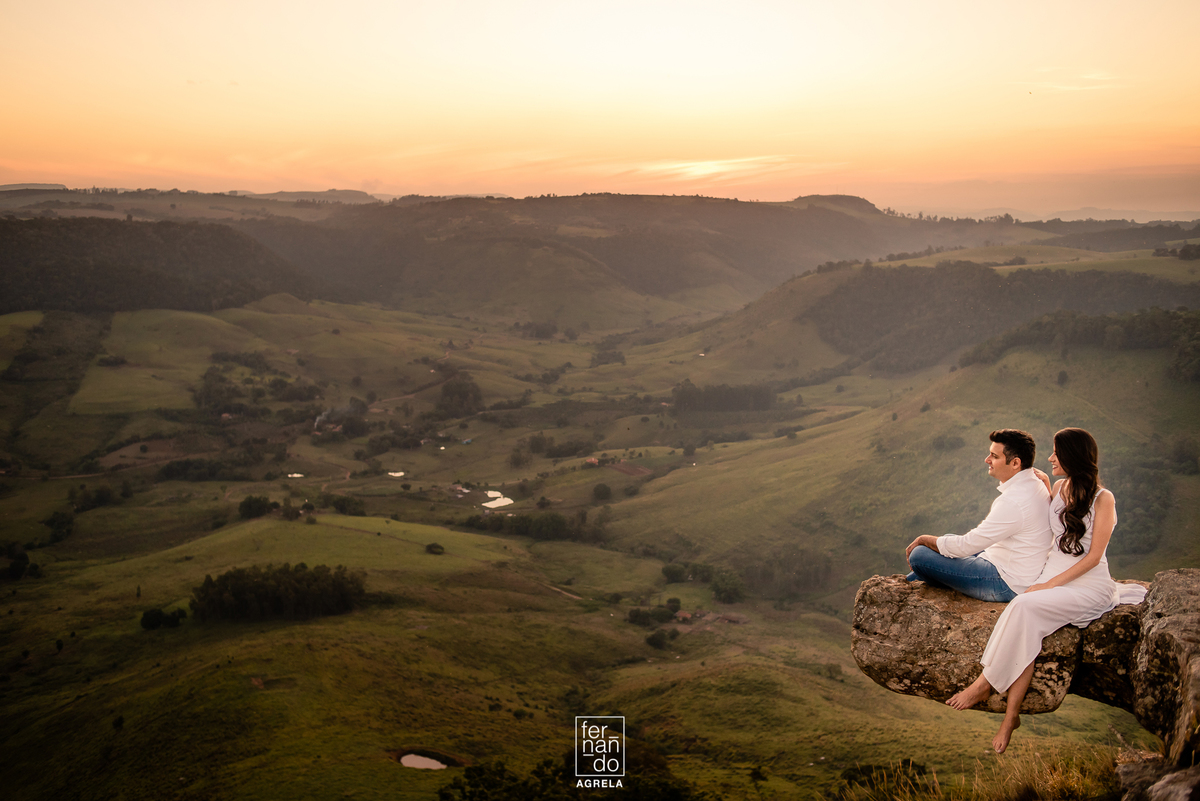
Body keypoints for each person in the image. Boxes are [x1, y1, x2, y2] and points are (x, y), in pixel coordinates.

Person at [945, 427, 1147, 753]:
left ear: (1073, 457)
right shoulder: (1059, 486)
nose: (1050, 457)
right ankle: (1011, 717)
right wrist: (1035, 476)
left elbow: (1094, 557)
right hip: (1052, 576)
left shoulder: (1103, 498)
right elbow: (1047, 521)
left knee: (1023, 607)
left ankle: (984, 685)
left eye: (1056, 453)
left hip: (1087, 585)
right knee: (1026, 622)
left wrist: (1049, 584)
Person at [905, 429, 1053, 603]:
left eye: (994, 456)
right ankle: (915, 580)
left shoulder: (1013, 501)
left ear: (1015, 463)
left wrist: (923, 539)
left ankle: (915, 580)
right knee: (945, 541)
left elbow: (966, 546)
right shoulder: (1035, 481)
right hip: (1015, 567)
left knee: (920, 555)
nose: (987, 460)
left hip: (1005, 582)